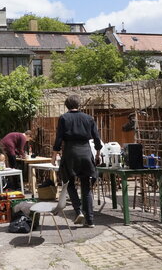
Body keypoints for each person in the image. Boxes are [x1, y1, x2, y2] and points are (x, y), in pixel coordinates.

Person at [52, 95, 102, 228]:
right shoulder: (89, 118)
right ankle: (90, 221)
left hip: (70, 152)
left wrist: (54, 156)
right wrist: (97, 154)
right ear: (79, 105)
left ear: (67, 105)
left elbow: (59, 138)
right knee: (86, 187)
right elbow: (97, 138)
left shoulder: (64, 118)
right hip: (85, 152)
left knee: (68, 183)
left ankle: (78, 211)